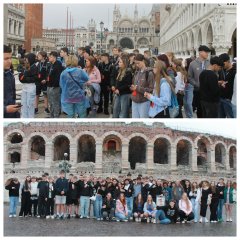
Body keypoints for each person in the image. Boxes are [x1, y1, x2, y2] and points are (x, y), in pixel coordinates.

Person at [185, 45, 211, 118]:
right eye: (206, 52)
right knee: (200, 110)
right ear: (200, 52)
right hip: (198, 91)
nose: (207, 54)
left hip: (208, 91)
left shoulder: (209, 63)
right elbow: (189, 77)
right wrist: (196, 84)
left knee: (207, 110)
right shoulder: (192, 64)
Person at [130, 54, 154, 118]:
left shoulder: (149, 73)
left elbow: (151, 89)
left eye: (138, 63)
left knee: (144, 121)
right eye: (136, 63)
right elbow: (134, 84)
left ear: (143, 61)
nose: (137, 65)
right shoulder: (136, 72)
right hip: (134, 100)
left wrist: (137, 88)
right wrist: (133, 88)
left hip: (144, 101)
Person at [18, 53, 38, 118]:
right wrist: (24, 78)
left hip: (31, 87)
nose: (25, 60)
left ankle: (30, 119)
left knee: (30, 105)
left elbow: (35, 78)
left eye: (26, 58)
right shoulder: (25, 66)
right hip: (25, 87)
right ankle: (24, 118)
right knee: (23, 104)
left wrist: (25, 78)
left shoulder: (34, 67)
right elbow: (21, 76)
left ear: (30, 59)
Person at [4, 45, 20, 118]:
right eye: (6, 59)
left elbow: (12, 96)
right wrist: (5, 109)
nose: (10, 61)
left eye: (10, 58)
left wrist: (16, 114)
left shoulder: (10, 75)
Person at [218, 53, 236, 118]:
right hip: (221, 98)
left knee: (230, 120)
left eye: (223, 64)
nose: (222, 65)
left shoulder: (235, 72)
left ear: (228, 61)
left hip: (229, 100)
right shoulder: (221, 71)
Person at [47, 51, 63, 118]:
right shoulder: (51, 64)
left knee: (55, 102)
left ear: (54, 57)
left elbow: (58, 77)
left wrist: (54, 85)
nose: (49, 58)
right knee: (50, 102)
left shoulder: (58, 64)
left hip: (55, 86)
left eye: (50, 57)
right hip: (49, 85)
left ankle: (56, 116)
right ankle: (52, 115)